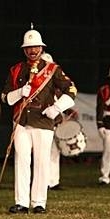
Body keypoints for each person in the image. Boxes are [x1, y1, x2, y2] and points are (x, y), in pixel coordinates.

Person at [1, 26, 77, 214]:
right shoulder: (16, 69)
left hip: (43, 121)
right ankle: (22, 202)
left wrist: (57, 108)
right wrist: (19, 92)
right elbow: (5, 97)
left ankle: (39, 202)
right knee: (21, 159)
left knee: (42, 161)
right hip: (21, 120)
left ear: (42, 49)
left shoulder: (53, 69)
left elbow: (71, 90)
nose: (32, 51)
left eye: (36, 47)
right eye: (29, 48)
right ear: (24, 50)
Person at [42, 52, 79, 191]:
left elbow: (61, 101)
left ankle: (54, 181)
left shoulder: (56, 87)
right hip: (44, 123)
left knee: (54, 154)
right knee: (44, 154)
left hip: (56, 123)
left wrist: (69, 111)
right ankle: (43, 182)